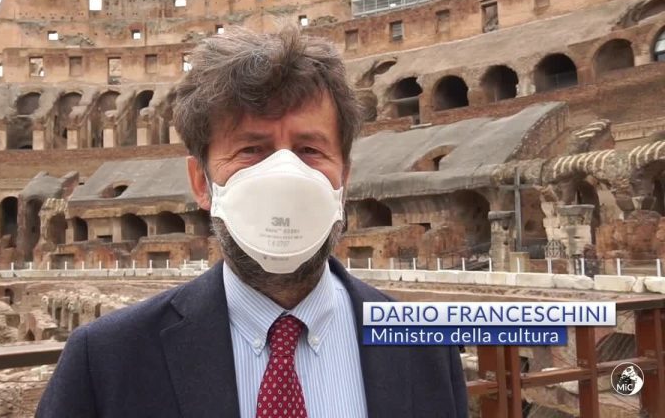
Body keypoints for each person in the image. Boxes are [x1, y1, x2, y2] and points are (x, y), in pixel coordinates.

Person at [36, 27, 468, 418]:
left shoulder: (425, 346)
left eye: (310, 150)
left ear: (344, 178)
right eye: (251, 151)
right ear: (201, 183)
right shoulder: (106, 360)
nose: (284, 174)